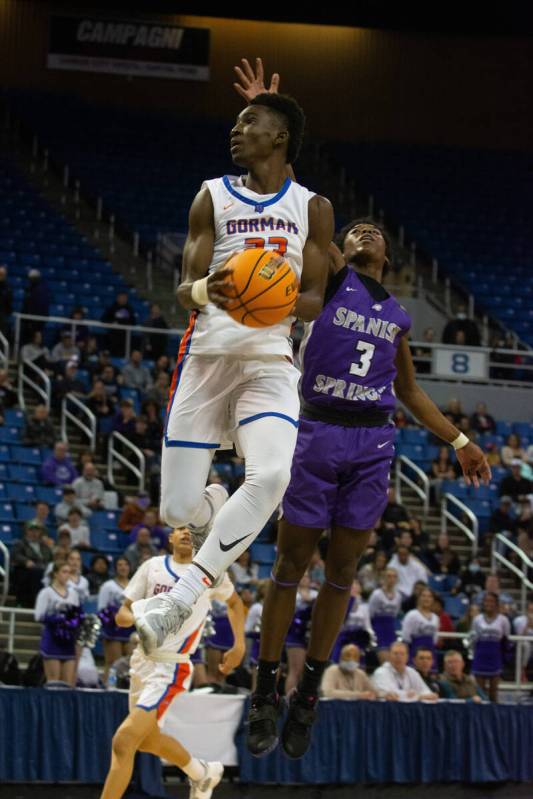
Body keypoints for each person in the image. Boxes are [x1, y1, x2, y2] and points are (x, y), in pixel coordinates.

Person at [240, 57, 490, 759]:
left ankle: (308, 690)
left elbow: (408, 391)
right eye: (356, 227)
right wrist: (270, 120)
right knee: (290, 565)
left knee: (341, 576)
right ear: (343, 247)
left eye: (375, 228)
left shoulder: (401, 314)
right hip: (315, 431)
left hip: (372, 442)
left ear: (390, 253)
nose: (366, 229)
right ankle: (266, 685)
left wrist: (457, 437)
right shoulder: (326, 277)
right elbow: (288, 196)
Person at [134, 60, 334, 661]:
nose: (236, 128)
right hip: (206, 358)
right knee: (175, 509)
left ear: (279, 139)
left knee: (272, 476)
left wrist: (279, 302)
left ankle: (182, 597)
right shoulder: (211, 195)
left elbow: (318, 297)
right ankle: (212, 507)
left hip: (270, 364)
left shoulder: (312, 206)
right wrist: (207, 292)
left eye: (250, 120)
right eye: (237, 121)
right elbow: (183, 287)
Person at [101, 527, 245, 799]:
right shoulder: (152, 567)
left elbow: (236, 604)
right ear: (169, 537)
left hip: (171, 666)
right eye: (180, 528)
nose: (186, 533)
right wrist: (144, 615)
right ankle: (202, 773)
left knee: (123, 741)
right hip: (141, 661)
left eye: (193, 529)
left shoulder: (210, 571)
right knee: (147, 741)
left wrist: (239, 645)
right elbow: (122, 614)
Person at [34, 561, 79, 686]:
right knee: (54, 682)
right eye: (64, 572)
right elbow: (38, 616)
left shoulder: (73, 594)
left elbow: (76, 614)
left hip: (68, 642)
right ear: (55, 574)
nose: (67, 575)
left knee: (68, 683)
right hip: (52, 639)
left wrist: (75, 621)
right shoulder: (46, 593)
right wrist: (57, 619)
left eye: (69, 572)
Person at [98, 556, 134, 684]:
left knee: (131, 663)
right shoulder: (108, 586)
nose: (123, 567)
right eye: (119, 565)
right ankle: (110, 687)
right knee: (113, 663)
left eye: (125, 564)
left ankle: (125, 689)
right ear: (115, 568)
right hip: (113, 630)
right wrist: (114, 618)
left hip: (130, 630)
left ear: (130, 567)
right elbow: (101, 609)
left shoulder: (135, 586)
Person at [471, 592, 511, 702]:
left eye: (491, 601)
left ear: (496, 604)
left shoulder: (503, 620)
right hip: (480, 656)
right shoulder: (477, 619)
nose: (489, 603)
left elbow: (505, 640)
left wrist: (504, 658)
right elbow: (473, 639)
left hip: (495, 657)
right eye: (486, 601)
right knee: (480, 691)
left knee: (494, 692)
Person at [371, 641, 438, 701]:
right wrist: (416, 696)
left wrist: (426, 695)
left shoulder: (412, 672)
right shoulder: (381, 672)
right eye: (395, 653)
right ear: (389, 655)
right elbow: (390, 694)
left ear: (407, 657)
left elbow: (426, 692)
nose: (399, 657)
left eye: (402, 654)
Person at [11, 521, 53, 607]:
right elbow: (15, 555)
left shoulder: (44, 546)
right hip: (25, 571)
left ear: (40, 532)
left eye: (36, 530)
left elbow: (50, 559)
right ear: (26, 531)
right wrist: (26, 561)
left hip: (42, 570)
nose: (34, 533)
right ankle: (35, 602)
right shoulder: (20, 543)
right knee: (37, 572)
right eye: (31, 530)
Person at [401, 586, 439, 663]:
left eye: (429, 596)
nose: (426, 599)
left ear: (433, 600)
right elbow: (406, 637)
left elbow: (435, 638)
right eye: (424, 596)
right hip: (415, 651)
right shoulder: (411, 615)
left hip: (430, 652)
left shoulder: (435, 618)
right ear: (419, 598)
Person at [368, 567, 402, 653]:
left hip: (390, 628)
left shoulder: (398, 596)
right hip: (378, 627)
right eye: (389, 576)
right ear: (384, 578)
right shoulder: (377, 594)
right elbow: (370, 614)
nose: (391, 579)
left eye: (394, 576)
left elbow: (395, 613)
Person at [101, 291, 136, 356]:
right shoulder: (112, 307)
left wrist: (127, 324)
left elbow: (133, 322)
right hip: (114, 335)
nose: (123, 299)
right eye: (121, 297)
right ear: (118, 298)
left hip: (125, 336)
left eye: (125, 298)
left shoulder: (129, 308)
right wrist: (112, 323)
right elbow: (103, 319)